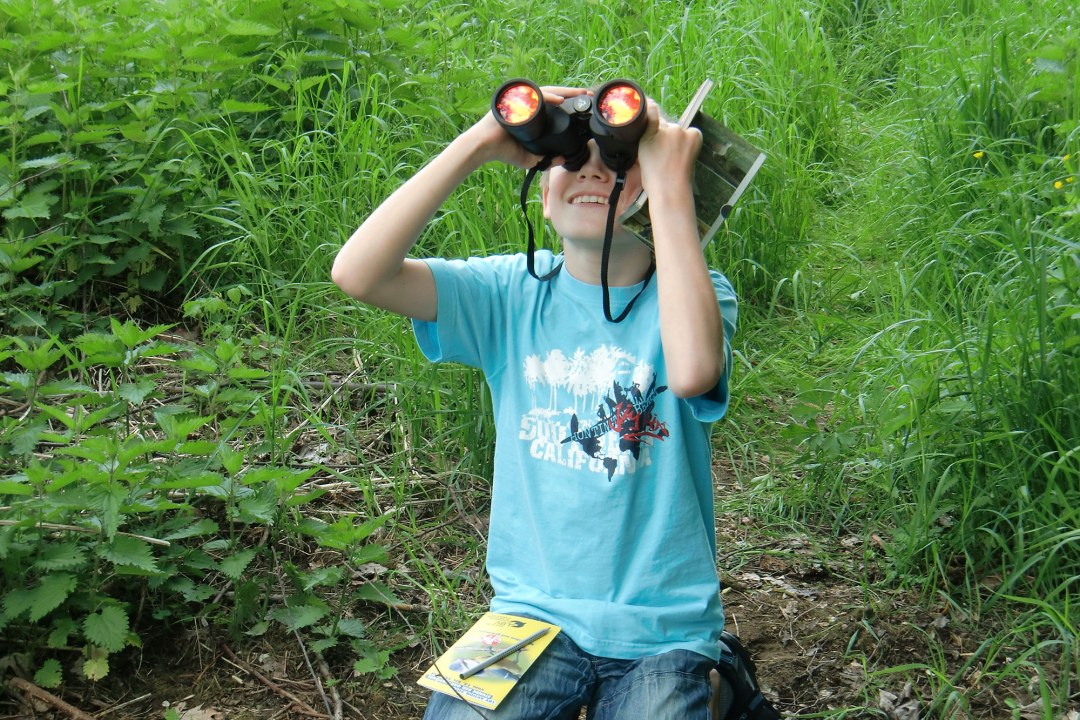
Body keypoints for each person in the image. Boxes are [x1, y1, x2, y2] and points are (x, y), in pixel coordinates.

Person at [332, 82, 738, 720]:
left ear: (657, 193)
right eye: (570, 164)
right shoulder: (511, 293)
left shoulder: (695, 294)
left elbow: (690, 373)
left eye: (618, 165)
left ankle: (714, 679)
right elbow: (358, 273)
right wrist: (480, 143)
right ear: (542, 196)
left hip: (662, 629)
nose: (591, 173)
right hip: (527, 613)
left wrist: (668, 185)